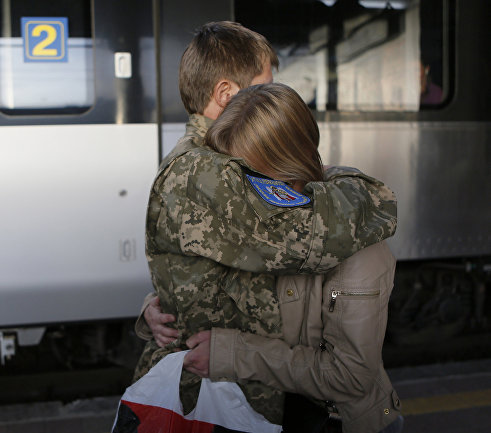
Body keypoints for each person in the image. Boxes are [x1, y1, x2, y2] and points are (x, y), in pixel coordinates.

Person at [131, 21, 397, 428]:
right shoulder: (213, 171)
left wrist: (160, 303)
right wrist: (372, 195)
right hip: (236, 393)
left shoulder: (204, 161)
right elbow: (310, 235)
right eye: (263, 85)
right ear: (226, 94)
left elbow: (211, 272)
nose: (271, 95)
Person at [181, 83, 403, 433]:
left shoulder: (357, 245)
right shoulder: (249, 212)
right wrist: (159, 309)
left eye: (248, 179)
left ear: (292, 170)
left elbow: (348, 376)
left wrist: (229, 355)